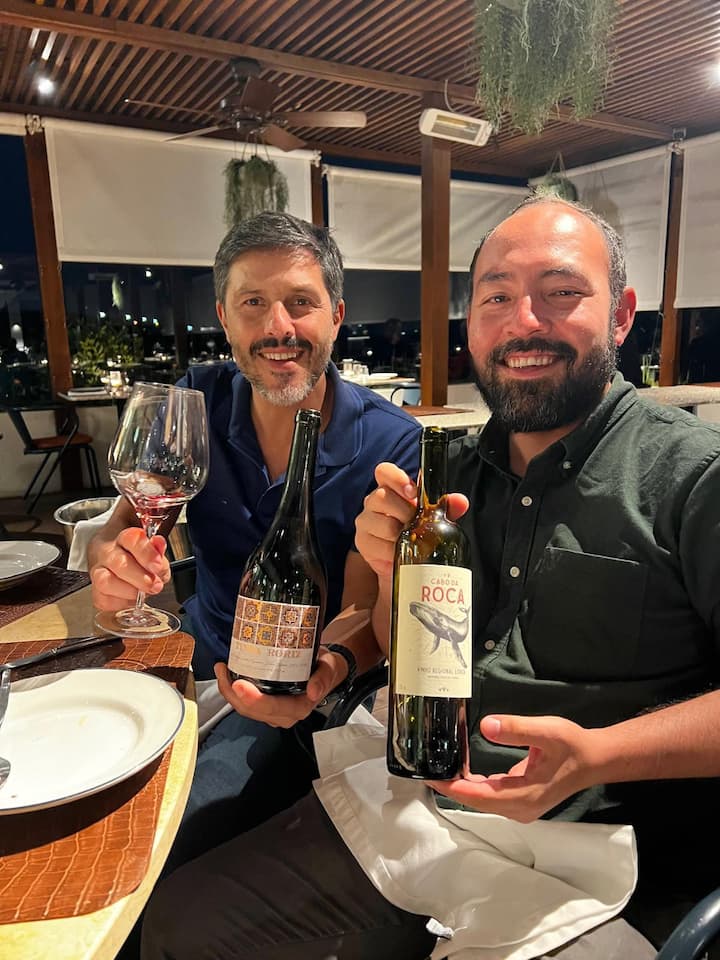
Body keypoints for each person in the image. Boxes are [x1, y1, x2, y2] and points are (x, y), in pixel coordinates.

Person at [141, 197, 720, 960]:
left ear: (620, 315)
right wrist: (381, 590)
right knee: (176, 923)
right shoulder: (453, 475)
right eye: (496, 298)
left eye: (560, 292)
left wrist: (603, 753)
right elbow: (396, 641)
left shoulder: (692, 474)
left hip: (609, 856)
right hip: (430, 807)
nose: (523, 322)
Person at [88, 212, 420, 870]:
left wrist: (325, 671)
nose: (278, 327)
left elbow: (364, 607)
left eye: (300, 302)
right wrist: (111, 563)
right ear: (224, 317)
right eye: (253, 303)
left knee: (161, 842)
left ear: (336, 316)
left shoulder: (389, 443)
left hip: (292, 692)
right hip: (184, 657)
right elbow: (122, 526)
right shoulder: (196, 401)